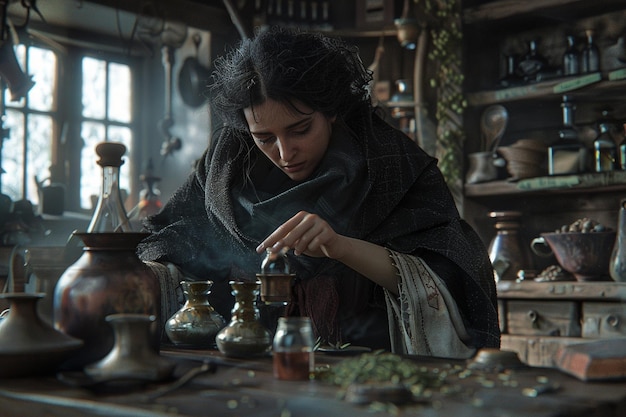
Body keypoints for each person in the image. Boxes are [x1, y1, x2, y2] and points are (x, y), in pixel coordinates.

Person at [138, 26, 500, 358]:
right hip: (243, 372)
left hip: (368, 374)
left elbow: (455, 278)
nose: (284, 152)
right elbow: (168, 241)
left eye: (300, 129)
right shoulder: (223, 168)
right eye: (264, 138)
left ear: (331, 111)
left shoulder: (392, 163)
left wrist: (342, 246)